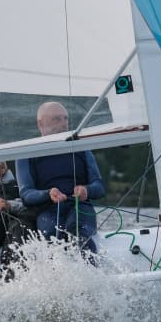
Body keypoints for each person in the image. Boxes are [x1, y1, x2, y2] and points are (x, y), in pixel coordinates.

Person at [15, 101, 105, 256]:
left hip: (80, 207)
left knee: (77, 234)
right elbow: (26, 194)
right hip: (48, 210)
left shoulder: (81, 148)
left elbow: (99, 187)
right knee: (52, 236)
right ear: (40, 124)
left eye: (65, 118)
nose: (64, 123)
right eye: (56, 119)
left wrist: (86, 190)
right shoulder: (26, 152)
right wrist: (48, 193)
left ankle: (91, 269)